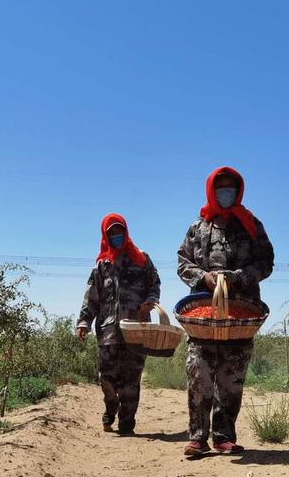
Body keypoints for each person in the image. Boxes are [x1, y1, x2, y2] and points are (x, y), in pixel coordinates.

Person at [177, 166, 274, 456]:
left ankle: (223, 436)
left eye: (232, 188)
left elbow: (266, 262)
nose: (226, 193)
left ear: (239, 191)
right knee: (199, 373)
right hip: (203, 315)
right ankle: (197, 437)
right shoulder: (198, 228)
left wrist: (239, 277)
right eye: (221, 188)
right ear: (211, 191)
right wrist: (203, 277)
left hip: (240, 314)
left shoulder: (251, 225)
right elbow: (182, 263)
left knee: (231, 378)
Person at [76, 213, 161, 435]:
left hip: (136, 329)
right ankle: (110, 407)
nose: (116, 236)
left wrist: (150, 301)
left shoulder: (141, 259)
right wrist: (84, 322)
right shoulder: (101, 266)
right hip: (108, 332)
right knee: (107, 376)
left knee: (132, 379)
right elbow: (91, 298)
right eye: (111, 232)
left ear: (126, 232)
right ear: (105, 235)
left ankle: (127, 422)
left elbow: (154, 283)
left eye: (119, 231)